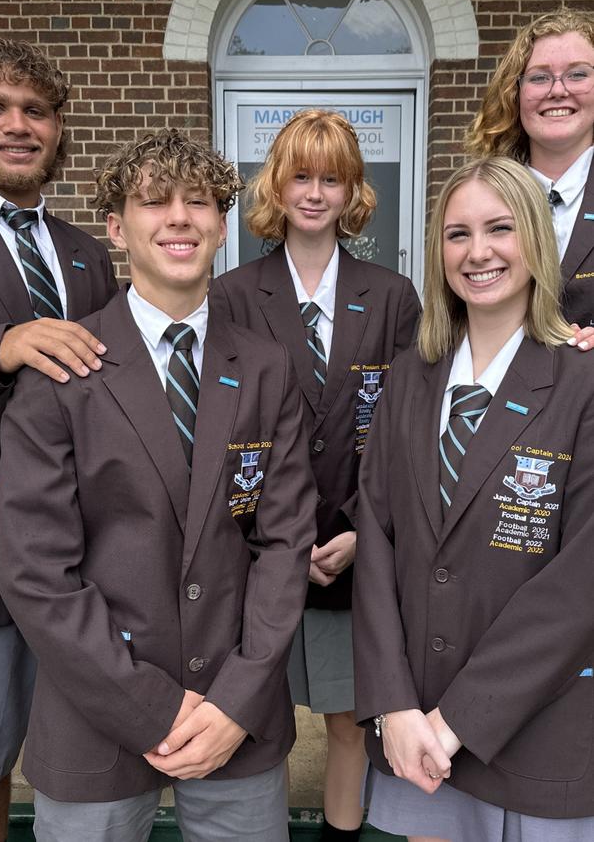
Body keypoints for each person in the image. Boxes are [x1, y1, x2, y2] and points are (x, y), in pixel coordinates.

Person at [0, 129, 317, 842]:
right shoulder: (63, 369)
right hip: (96, 713)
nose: (179, 217)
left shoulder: (266, 367)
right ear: (116, 226)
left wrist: (234, 700)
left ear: (222, 225)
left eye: (198, 201)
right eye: (154, 201)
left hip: (238, 717)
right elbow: (35, 570)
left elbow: (285, 543)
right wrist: (151, 708)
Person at [353, 155, 594, 842]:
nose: (478, 251)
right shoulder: (409, 379)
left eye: (500, 228)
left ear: (537, 243)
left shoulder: (582, 382)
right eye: (457, 234)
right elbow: (376, 543)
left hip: (538, 741)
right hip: (418, 739)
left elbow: (579, 584)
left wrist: (456, 720)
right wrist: (392, 704)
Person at [209, 109, 420, 841]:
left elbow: (406, 433)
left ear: (353, 190)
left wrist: (366, 529)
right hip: (261, 551)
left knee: (348, 727)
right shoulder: (233, 294)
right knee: (251, 725)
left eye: (331, 178)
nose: (314, 191)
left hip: (353, 553)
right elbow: (228, 431)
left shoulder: (392, 296)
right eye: (300, 174)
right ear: (276, 183)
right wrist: (281, 537)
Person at [0, 37, 117, 842]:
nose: (18, 125)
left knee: (74, 748)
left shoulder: (86, 254)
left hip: (86, 555)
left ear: (56, 129)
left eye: (36, 111)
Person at [466, 7, 594, 347]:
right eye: (539, 77)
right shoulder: (480, 195)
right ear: (514, 93)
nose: (557, 90)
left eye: (578, 74)